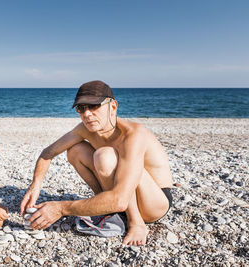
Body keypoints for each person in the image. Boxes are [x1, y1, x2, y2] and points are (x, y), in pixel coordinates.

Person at [20, 80, 173, 246]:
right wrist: (35, 186)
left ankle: (136, 223)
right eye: (81, 108)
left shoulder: (134, 134)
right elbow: (47, 153)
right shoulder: (84, 129)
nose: (87, 114)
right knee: (75, 150)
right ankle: (106, 208)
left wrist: (61, 208)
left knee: (105, 155)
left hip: (154, 202)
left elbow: (121, 199)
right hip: (120, 194)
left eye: (94, 106)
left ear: (113, 107)